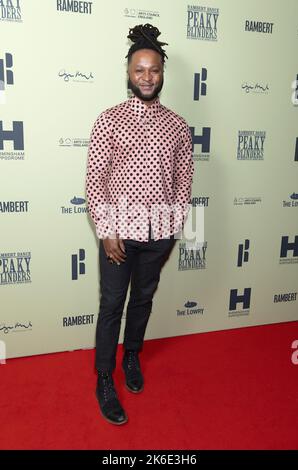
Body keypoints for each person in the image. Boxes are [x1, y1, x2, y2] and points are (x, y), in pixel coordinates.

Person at [85, 23, 194, 425]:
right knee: (111, 304)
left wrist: (174, 224)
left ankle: (132, 354)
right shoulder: (108, 119)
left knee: (143, 300)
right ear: (128, 74)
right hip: (117, 237)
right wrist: (107, 228)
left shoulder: (177, 125)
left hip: (157, 235)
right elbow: (95, 180)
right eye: (139, 70)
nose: (147, 77)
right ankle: (103, 377)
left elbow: (184, 178)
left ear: (162, 74)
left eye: (154, 70)